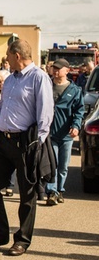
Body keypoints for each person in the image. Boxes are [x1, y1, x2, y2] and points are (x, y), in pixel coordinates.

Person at [0, 39, 54, 256]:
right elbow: (0, 108)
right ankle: (0, 233)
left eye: (8, 55)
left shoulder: (39, 78)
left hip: (25, 143)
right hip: (2, 141)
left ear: (17, 56)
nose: (6, 59)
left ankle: (22, 239)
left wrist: (37, 145)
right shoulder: (10, 80)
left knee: (27, 194)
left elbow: (45, 115)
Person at [45, 58, 84, 205]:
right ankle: (51, 192)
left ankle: (60, 190)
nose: (55, 71)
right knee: (52, 163)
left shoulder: (75, 90)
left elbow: (79, 111)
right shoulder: (47, 85)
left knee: (63, 166)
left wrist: (76, 126)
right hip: (50, 133)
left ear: (67, 71)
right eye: (54, 68)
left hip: (66, 135)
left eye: (59, 69)